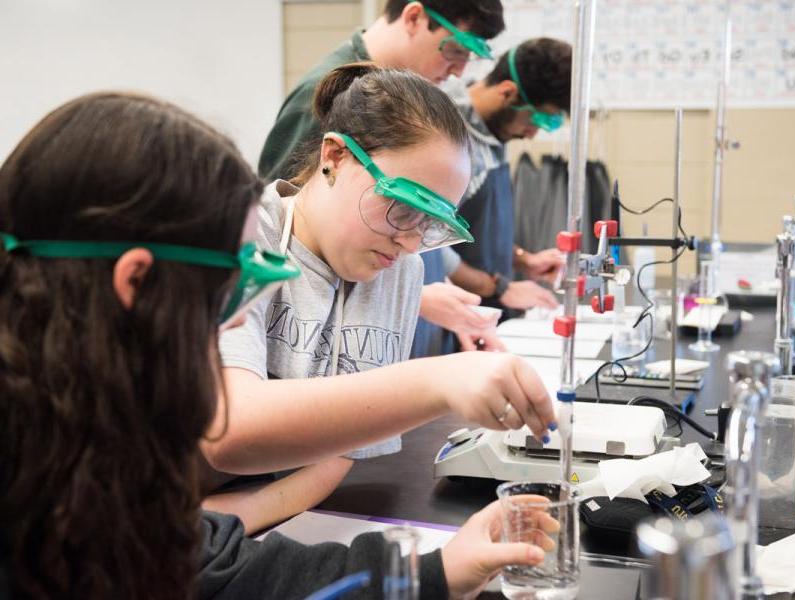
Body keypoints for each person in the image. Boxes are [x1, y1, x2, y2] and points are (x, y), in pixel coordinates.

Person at [0, 91, 554, 600]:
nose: (238, 322)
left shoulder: (76, 436)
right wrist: (436, 382)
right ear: (137, 283)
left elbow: (208, 562)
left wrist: (434, 572)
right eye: (235, 287)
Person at [205, 63, 556, 533]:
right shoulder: (247, 237)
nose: (411, 244)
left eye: (429, 225)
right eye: (402, 209)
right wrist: (437, 381)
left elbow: (342, 454)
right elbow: (232, 430)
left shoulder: (398, 270)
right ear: (334, 157)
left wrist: (236, 521)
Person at [259, 0, 508, 356]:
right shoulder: (320, 101)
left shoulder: (403, 270)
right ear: (414, 17)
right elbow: (291, 240)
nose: (458, 70)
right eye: (455, 49)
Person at [415, 38, 573, 354]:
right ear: (507, 93)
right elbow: (429, 244)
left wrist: (522, 259)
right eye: (539, 119)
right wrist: (501, 287)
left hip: (485, 314)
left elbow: (471, 229)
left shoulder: (494, 133)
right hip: (450, 322)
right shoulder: (446, 134)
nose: (533, 134)